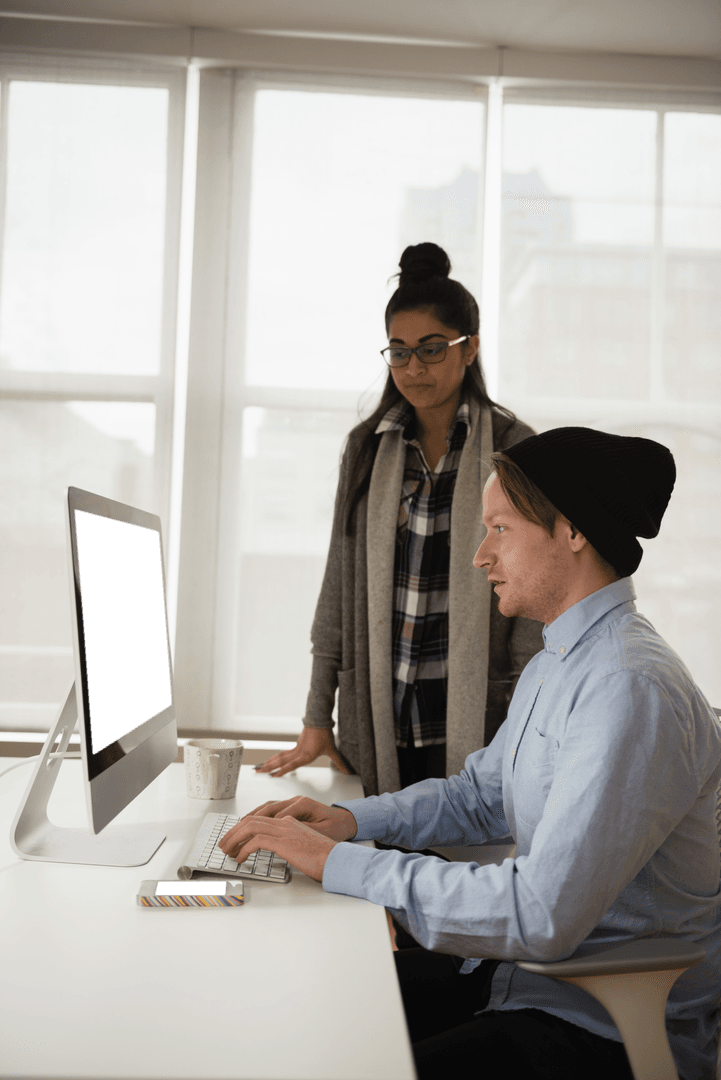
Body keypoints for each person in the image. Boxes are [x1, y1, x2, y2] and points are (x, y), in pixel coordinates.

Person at [220, 426, 721, 1080]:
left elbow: (540, 914)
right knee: (290, 1006)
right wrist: (348, 823)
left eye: (500, 529)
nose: (479, 555)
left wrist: (338, 864)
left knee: (329, 1054)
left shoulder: (627, 688)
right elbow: (479, 797)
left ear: (571, 531)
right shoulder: (561, 661)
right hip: (533, 980)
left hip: (598, 1023)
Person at [257, 242, 543, 794]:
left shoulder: (514, 447)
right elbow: (338, 589)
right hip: (380, 729)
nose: (414, 368)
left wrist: (526, 723)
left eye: (433, 349)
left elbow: (533, 602)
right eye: (399, 351)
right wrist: (318, 717)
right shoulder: (366, 447)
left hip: (484, 727)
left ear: (470, 349)